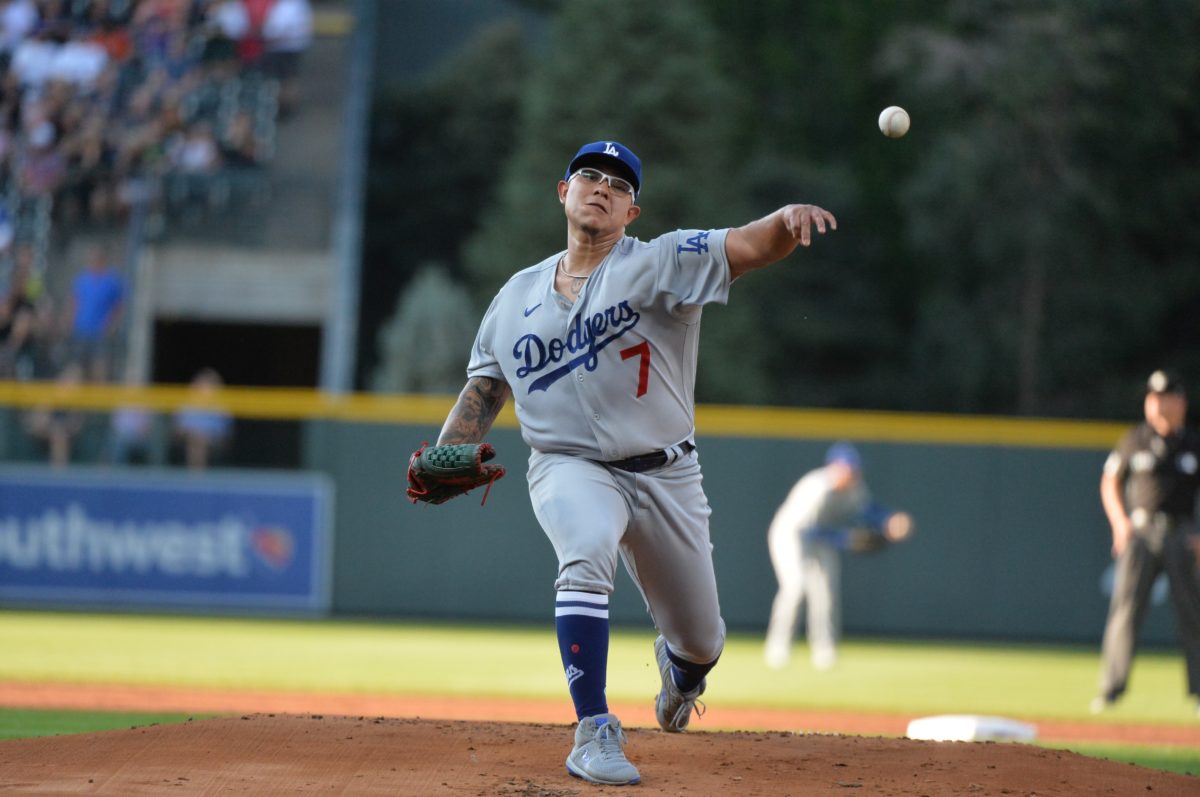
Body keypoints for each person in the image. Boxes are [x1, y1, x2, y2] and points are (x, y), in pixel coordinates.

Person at [416, 140, 837, 786]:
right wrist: (444, 455)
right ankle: (593, 729)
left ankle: (681, 672)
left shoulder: (661, 261)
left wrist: (784, 223)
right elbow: (483, 391)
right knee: (585, 548)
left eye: (618, 183)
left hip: (668, 473)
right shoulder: (515, 296)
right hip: (569, 465)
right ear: (564, 191)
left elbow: (746, 247)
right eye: (589, 175)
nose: (601, 186)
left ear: (632, 211)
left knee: (703, 641)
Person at [1092, 369, 1200, 715]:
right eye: (1151, 398)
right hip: (1139, 533)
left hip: (1182, 533)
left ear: (1179, 402)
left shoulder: (1193, 444)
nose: (1156, 405)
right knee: (1125, 611)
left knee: (1193, 615)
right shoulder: (1134, 439)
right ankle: (1110, 691)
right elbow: (1109, 482)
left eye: (1164, 397)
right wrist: (1119, 524)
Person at [763, 442, 914, 671]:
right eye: (849, 468)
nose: (853, 473)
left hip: (823, 537)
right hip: (790, 534)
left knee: (826, 593)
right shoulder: (816, 487)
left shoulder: (855, 486)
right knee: (795, 588)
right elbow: (807, 530)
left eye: (854, 468)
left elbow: (869, 509)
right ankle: (778, 647)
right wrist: (846, 539)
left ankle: (824, 650)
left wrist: (889, 520)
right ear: (835, 467)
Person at [61, 243, 124, 382]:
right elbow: (74, 303)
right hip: (80, 331)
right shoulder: (82, 280)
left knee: (99, 370)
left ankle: (97, 402)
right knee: (75, 368)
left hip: (99, 333)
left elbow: (118, 307)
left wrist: (111, 327)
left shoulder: (112, 281)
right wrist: (68, 323)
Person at [172, 367, 233, 470]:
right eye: (203, 385)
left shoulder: (221, 407)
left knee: (200, 438)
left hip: (213, 440)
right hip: (188, 438)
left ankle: (197, 473)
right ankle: (197, 472)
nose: (205, 389)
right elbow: (177, 429)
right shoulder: (186, 405)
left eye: (209, 386)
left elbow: (226, 434)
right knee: (196, 438)